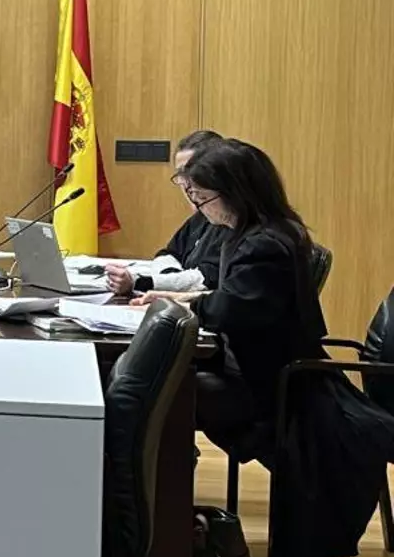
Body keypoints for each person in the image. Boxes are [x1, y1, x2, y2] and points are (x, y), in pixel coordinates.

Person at [132, 138, 326, 457]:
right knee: (159, 385)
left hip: (269, 384)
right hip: (256, 369)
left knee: (156, 393)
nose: (199, 207)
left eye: (204, 198)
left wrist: (178, 304)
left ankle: (163, 483)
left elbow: (229, 308)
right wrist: (170, 297)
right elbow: (230, 296)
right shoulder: (260, 232)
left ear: (236, 193)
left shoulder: (264, 244)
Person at [104, 129, 226, 296]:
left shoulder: (227, 219)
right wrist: (171, 277)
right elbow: (167, 254)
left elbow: (208, 278)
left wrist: (139, 282)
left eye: (190, 171)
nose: (185, 183)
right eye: (180, 173)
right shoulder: (199, 218)